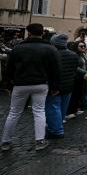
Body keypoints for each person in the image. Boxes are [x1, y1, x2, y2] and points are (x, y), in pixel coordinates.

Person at [1, 23, 61, 151]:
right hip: (41, 84)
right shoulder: (50, 49)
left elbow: (9, 68)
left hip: (20, 84)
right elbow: (56, 69)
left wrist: (7, 84)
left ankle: (6, 141)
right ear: (43, 33)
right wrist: (55, 87)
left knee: (14, 112)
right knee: (39, 111)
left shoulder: (18, 48)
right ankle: (39, 141)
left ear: (29, 33)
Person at [44, 34, 81, 138]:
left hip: (55, 86)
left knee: (53, 107)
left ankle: (56, 130)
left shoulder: (51, 54)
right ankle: (57, 125)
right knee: (62, 108)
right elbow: (77, 68)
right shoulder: (74, 55)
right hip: (69, 85)